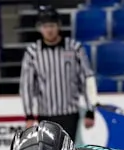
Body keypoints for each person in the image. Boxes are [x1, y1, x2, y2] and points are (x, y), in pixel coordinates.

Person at [19, 5, 97, 141]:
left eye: (52, 25)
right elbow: (27, 85)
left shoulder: (74, 48)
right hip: (45, 114)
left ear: (59, 26)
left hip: (70, 112)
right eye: (45, 26)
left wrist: (90, 110)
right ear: (39, 28)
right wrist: (29, 115)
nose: (49, 30)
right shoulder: (32, 52)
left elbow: (87, 79)